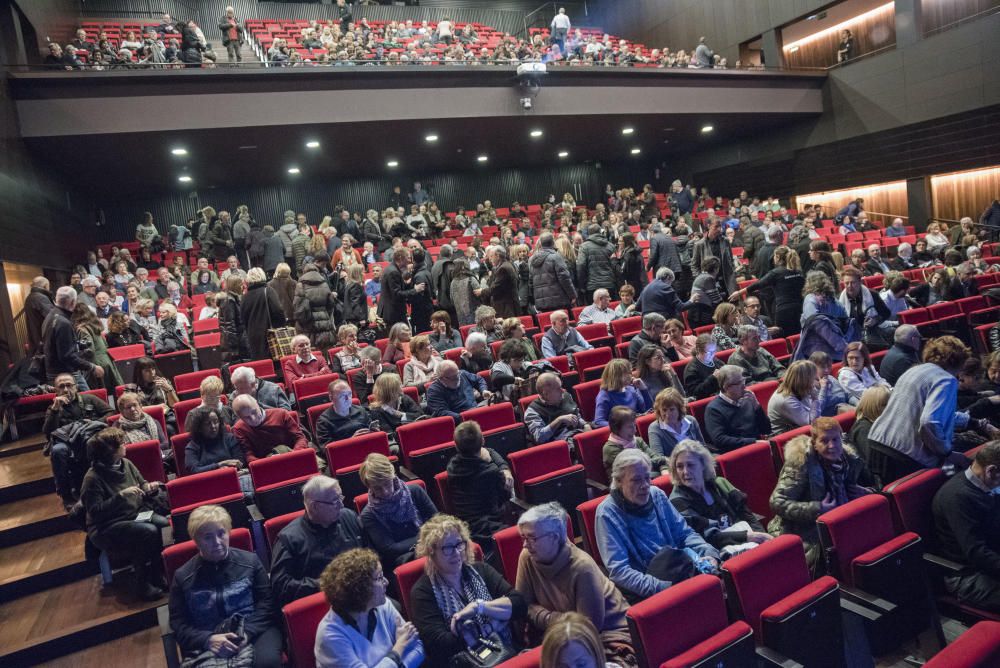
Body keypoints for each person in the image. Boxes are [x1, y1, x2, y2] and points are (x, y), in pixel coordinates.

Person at [867, 336, 999, 480]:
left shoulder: (913, 371)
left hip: (877, 444)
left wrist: (976, 423)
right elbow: (930, 422)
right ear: (960, 361)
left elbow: (942, 416)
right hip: (904, 456)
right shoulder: (945, 380)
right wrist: (947, 453)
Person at [514, 503, 633, 662]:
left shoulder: (582, 567)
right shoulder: (527, 557)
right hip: (558, 636)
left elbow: (585, 628)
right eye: (523, 537)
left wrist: (541, 615)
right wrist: (557, 619)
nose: (525, 544)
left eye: (532, 538)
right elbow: (522, 606)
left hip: (606, 635)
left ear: (555, 537)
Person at [595, 449, 720, 601]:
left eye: (647, 478)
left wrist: (707, 552)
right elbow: (620, 571)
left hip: (679, 568)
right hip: (651, 589)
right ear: (619, 481)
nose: (645, 485)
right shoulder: (607, 513)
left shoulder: (656, 494)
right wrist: (665, 588)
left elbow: (684, 534)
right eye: (636, 480)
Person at [169, 505, 282, 666]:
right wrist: (208, 640)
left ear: (228, 532)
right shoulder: (183, 576)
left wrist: (246, 633)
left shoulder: (251, 562)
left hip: (254, 630)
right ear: (196, 540)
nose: (217, 542)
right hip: (208, 638)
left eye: (221, 533)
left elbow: (267, 604)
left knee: (267, 663)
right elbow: (179, 624)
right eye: (207, 537)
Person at [410, 514, 526, 666]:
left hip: (506, 652)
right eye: (448, 548)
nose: (457, 552)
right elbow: (441, 645)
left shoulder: (481, 570)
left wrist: (479, 607)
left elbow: (519, 604)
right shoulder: (422, 592)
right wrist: (493, 625)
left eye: (459, 544)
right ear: (432, 552)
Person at [769, 418, 877, 569]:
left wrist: (868, 493)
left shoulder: (850, 460)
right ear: (814, 443)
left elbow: (877, 483)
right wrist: (817, 509)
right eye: (824, 441)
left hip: (843, 521)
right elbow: (777, 502)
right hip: (806, 532)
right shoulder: (800, 464)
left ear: (842, 438)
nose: (832, 446)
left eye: (835, 439)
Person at [81, 427, 168, 600]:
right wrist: (120, 496)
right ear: (110, 451)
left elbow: (141, 483)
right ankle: (142, 584)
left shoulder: (126, 463)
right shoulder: (92, 478)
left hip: (135, 513)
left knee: (164, 525)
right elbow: (95, 512)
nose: (125, 445)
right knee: (147, 532)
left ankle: (157, 573)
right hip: (108, 525)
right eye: (121, 443)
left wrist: (148, 487)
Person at [314, 547, 424, 668]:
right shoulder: (330, 635)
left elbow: (418, 648)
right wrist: (398, 649)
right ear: (360, 589)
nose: (386, 582)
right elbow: (405, 644)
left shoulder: (383, 605)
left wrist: (399, 664)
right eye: (379, 577)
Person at [270, 476, 365, 608]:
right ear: (314, 506)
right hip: (321, 603)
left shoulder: (349, 516)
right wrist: (326, 583)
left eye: (340, 498)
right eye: (335, 501)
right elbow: (282, 587)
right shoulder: (289, 539)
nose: (341, 505)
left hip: (361, 595)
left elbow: (370, 553)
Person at [931, 441, 1000, 612]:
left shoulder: (987, 485)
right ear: (991, 471)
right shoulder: (958, 498)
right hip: (968, 574)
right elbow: (976, 552)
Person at [668, 440, 771, 554]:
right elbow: (708, 537)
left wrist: (762, 536)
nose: (685, 472)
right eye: (680, 467)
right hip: (716, 551)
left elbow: (746, 514)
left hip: (746, 538)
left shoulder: (720, 483)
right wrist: (747, 537)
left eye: (691, 465)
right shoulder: (677, 501)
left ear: (703, 465)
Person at [359, 453, 437, 569]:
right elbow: (390, 549)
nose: (385, 491)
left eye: (386, 483)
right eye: (377, 488)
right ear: (369, 487)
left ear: (393, 476)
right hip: (404, 560)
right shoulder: (368, 515)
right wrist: (427, 537)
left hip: (432, 546)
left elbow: (437, 521)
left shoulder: (415, 491)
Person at [446, 421, 513, 547]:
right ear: (482, 440)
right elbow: (506, 496)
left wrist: (503, 467)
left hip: (464, 527)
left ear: (456, 446)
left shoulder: (452, 466)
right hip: (488, 528)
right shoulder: (491, 472)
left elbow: (489, 451)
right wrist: (503, 469)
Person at [43, 286, 104, 390]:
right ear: (73, 302)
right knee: (87, 401)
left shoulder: (49, 316)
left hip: (53, 371)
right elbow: (67, 356)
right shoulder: (63, 323)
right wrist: (92, 367)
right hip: (66, 374)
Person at [703, 365, 771, 453]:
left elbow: (766, 430)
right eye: (739, 383)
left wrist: (757, 406)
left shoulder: (748, 400)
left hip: (759, 447)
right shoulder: (713, 409)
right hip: (737, 453)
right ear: (726, 387)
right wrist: (753, 442)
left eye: (744, 380)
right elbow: (719, 440)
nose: (744, 386)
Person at [231, 394, 311, 462]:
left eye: (254, 412)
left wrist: (293, 454)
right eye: (246, 417)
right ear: (239, 417)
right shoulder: (238, 429)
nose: (253, 418)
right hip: (265, 462)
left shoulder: (281, 414)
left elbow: (300, 438)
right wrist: (267, 462)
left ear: (257, 403)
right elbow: (248, 455)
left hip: (292, 453)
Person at [183, 405, 249, 486]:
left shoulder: (229, 438)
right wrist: (219, 465)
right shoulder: (193, 446)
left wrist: (228, 470)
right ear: (199, 427)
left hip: (233, 477)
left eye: (216, 421)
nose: (213, 426)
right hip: (207, 483)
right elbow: (194, 470)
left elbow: (240, 461)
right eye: (207, 424)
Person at [524, 372, 588, 445]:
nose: (562, 390)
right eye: (558, 389)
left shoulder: (566, 396)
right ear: (546, 394)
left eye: (561, 386)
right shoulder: (533, 411)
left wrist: (585, 425)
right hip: (561, 444)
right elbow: (539, 438)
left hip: (578, 433)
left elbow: (577, 416)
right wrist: (558, 420)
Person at [602, 406, 666, 480]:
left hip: (649, 478)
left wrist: (664, 469)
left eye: (634, 425)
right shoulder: (610, 449)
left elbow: (655, 457)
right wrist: (663, 460)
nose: (635, 430)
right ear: (616, 429)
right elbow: (635, 467)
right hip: (628, 486)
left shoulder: (638, 440)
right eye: (629, 427)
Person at [72, 303, 123, 392]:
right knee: (113, 393)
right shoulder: (94, 325)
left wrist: (75, 356)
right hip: (106, 361)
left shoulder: (82, 329)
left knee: (100, 394)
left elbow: (89, 350)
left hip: (96, 364)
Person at [768, 360, 826, 435]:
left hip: (801, 428)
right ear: (805, 380)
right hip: (788, 437)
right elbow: (811, 422)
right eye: (813, 377)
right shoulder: (785, 399)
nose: (816, 379)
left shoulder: (801, 388)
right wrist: (815, 399)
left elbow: (814, 413)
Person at [648, 388, 705, 459]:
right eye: (664, 410)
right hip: (674, 466)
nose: (668, 414)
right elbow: (658, 458)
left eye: (671, 409)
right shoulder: (655, 428)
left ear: (679, 408)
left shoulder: (691, 421)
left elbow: (702, 447)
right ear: (659, 410)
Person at [594, 360, 652, 428]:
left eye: (630, 372)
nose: (631, 376)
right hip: (620, 433)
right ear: (616, 376)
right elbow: (599, 421)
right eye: (627, 373)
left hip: (635, 427)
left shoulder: (631, 389)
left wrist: (643, 389)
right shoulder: (604, 396)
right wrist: (622, 426)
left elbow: (647, 410)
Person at [295, 263, 339, 351]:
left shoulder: (301, 285)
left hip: (309, 325)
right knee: (326, 351)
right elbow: (331, 304)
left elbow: (299, 307)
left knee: (311, 352)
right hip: (325, 323)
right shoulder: (324, 283)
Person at [530, 233, 577, 313]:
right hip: (559, 301)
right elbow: (564, 278)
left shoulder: (533, 259)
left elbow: (530, 282)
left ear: (541, 244)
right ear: (553, 242)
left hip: (542, 303)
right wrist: (572, 295)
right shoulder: (556, 257)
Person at [846, 386, 891, 466]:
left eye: (890, 403)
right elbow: (875, 463)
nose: (889, 408)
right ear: (872, 406)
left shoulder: (880, 421)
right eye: (884, 405)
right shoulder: (863, 429)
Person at [317, 380, 371, 445]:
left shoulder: (361, 410)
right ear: (331, 398)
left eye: (349, 394)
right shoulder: (324, 421)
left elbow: (371, 430)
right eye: (342, 396)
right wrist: (351, 441)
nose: (347, 399)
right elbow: (327, 448)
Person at [218, 275, 249, 363]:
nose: (243, 286)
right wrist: (234, 348)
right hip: (234, 344)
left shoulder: (235, 299)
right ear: (235, 285)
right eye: (241, 284)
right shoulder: (229, 301)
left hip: (239, 339)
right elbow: (229, 326)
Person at [683, 334, 721, 399]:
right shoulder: (691, 369)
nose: (712, 355)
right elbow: (694, 393)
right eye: (709, 352)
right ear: (698, 350)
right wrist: (713, 378)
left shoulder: (716, 361)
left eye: (714, 351)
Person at [25, 275, 54, 352]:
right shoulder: (40, 298)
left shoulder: (30, 297)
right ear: (45, 286)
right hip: (44, 338)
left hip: (37, 338)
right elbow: (52, 317)